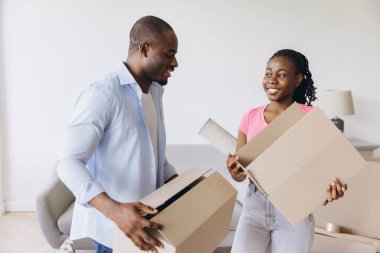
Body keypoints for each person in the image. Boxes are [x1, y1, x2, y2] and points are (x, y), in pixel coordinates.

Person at [56, 16, 179, 253]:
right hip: (112, 231)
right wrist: (116, 211)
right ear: (145, 49)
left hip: (147, 225)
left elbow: (154, 154)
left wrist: (180, 183)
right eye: (169, 53)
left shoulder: (154, 93)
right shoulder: (102, 94)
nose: (175, 63)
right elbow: (68, 162)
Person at [227, 49, 347, 253]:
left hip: (294, 211)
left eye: (281, 75)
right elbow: (240, 173)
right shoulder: (250, 117)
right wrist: (234, 171)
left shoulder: (310, 117)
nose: (272, 80)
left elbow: (333, 168)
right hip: (254, 208)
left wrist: (335, 185)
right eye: (268, 73)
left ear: (297, 79)